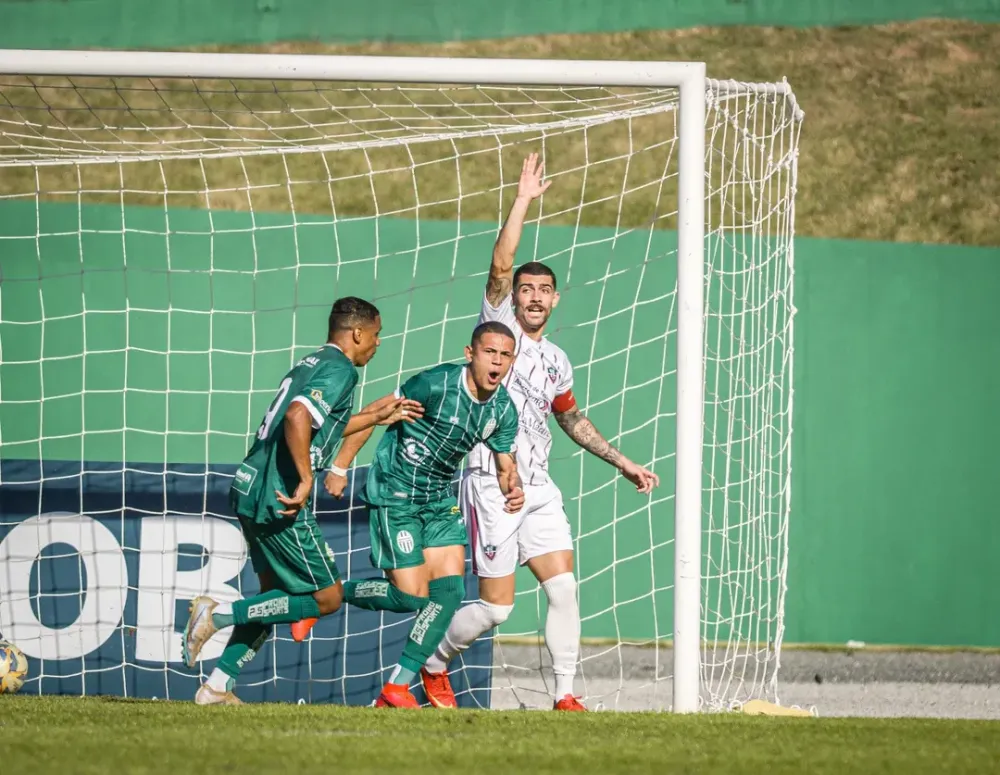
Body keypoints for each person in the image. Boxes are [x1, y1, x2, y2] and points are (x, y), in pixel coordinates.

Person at [421, 154, 660, 711]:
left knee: (563, 589)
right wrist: (524, 197)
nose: (531, 295)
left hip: (540, 485)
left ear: (554, 300)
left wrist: (621, 461)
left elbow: (571, 418)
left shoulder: (557, 360)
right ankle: (434, 664)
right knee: (497, 609)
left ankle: (566, 696)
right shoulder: (499, 331)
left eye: (542, 290)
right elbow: (501, 263)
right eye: (525, 289)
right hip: (491, 482)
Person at [180, 296, 423, 705]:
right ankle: (217, 615)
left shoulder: (312, 362)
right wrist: (308, 477)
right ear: (358, 332)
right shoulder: (341, 369)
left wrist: (379, 416)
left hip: (250, 484)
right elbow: (296, 417)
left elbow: (327, 424)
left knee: (274, 598)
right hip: (280, 495)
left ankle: (217, 687)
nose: (378, 343)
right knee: (326, 598)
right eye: (377, 335)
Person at [294, 320, 524, 708]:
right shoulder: (435, 384)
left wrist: (512, 489)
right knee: (410, 597)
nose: (497, 362)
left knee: (449, 592)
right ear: (471, 355)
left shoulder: (502, 410)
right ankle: (327, 597)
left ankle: (396, 687)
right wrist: (340, 466)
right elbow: (376, 412)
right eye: (490, 352)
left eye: (505, 355)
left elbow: (505, 465)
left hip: (437, 500)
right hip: (396, 491)